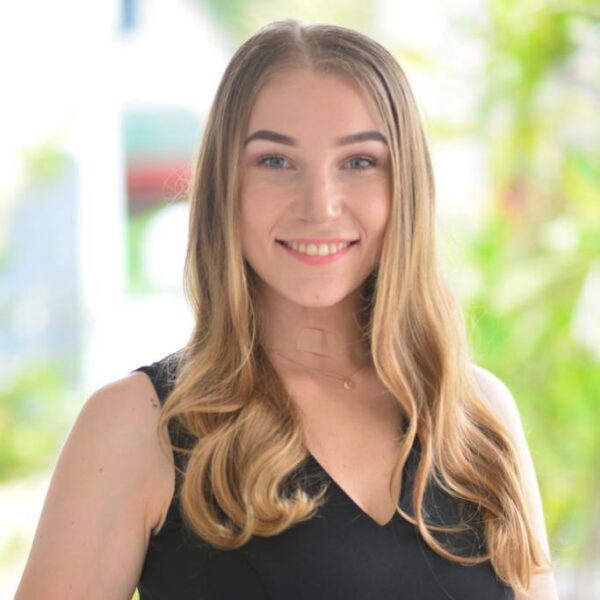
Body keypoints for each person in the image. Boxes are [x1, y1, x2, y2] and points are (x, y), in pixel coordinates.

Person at [14, 18, 559, 600]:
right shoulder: (135, 428)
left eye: (358, 162)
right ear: (225, 184)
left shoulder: (477, 418)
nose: (319, 206)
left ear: (405, 187)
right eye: (275, 161)